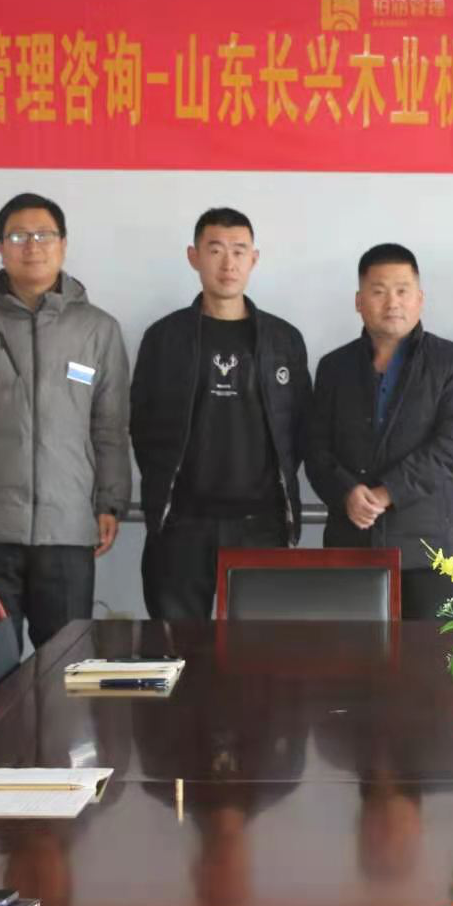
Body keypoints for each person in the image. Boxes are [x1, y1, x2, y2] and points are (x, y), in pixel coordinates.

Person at [0, 192, 131, 652]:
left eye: (44, 235)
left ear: (63, 244)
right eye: (18, 237)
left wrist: (112, 502)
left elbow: (110, 428)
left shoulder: (98, 329)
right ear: (0, 247)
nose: (32, 246)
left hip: (68, 526)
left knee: (65, 665)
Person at [131, 207, 311, 620]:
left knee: (259, 650)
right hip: (181, 523)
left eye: (239, 251)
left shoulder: (283, 339)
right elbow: (142, 424)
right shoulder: (164, 338)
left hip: (261, 524)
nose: (228, 263)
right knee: (177, 648)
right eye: (215, 250)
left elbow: (301, 427)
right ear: (194, 257)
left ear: (254, 259)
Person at [306, 244, 453, 619]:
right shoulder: (334, 367)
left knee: (433, 654)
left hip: (430, 552)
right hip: (351, 546)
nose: (392, 303)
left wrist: (388, 492)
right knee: (351, 654)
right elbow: (316, 449)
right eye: (379, 291)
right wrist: (346, 492)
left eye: (402, 290)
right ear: (359, 301)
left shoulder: (451, 362)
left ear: (420, 299)